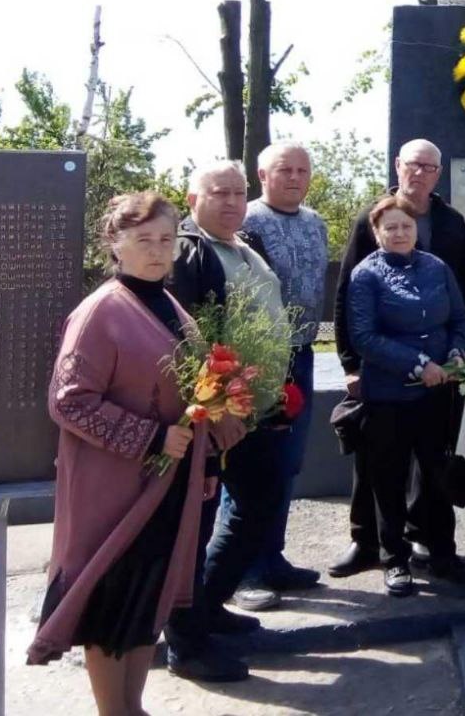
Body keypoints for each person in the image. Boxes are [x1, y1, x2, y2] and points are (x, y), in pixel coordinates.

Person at [28, 192, 219, 713]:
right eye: (144, 240)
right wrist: (152, 437)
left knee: (145, 596)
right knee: (110, 598)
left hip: (166, 479)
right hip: (112, 487)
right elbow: (68, 401)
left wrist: (206, 459)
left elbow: (195, 390)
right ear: (116, 243)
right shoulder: (100, 312)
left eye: (166, 239)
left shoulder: (171, 305)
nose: (157, 250)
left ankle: (132, 706)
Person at [329, 138, 465, 580]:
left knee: (434, 461)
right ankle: (369, 543)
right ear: (398, 165)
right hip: (385, 374)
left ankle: (430, 544)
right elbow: (347, 299)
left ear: (439, 173)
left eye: (428, 167)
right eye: (412, 164)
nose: (419, 173)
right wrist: (350, 364)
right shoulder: (372, 219)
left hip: (442, 373)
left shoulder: (450, 223)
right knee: (379, 465)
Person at [161, 160, 295, 681]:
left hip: (255, 409)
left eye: (239, 193)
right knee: (194, 527)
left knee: (260, 503)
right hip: (216, 414)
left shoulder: (246, 245)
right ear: (193, 199)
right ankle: (186, 644)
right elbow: (185, 340)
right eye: (220, 193)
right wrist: (214, 410)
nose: (233, 202)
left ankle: (209, 604)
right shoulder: (188, 252)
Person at [345, 194, 465, 596]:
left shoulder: (436, 267)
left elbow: (459, 318)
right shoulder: (366, 275)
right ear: (376, 232)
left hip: (437, 393)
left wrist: (456, 352)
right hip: (389, 396)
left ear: (417, 229)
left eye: (407, 226)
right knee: (389, 478)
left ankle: (443, 554)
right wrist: (419, 364)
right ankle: (394, 560)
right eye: (391, 227)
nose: (400, 233)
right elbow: (364, 337)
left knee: (436, 475)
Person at [238, 141, 327, 595]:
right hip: (260, 358)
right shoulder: (246, 222)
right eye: (284, 169)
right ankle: (243, 569)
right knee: (254, 465)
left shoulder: (316, 223)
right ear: (262, 175)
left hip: (302, 353)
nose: (294, 177)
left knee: (288, 463)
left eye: (301, 170)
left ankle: (272, 557)